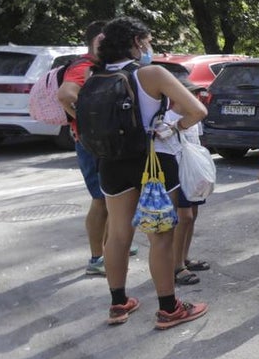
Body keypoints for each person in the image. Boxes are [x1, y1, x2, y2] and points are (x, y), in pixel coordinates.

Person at [90, 17, 208, 329]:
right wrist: (172, 127)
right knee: (161, 236)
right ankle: (169, 308)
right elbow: (198, 110)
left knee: (117, 234)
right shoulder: (151, 74)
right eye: (148, 41)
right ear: (138, 41)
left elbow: (70, 102)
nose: (149, 46)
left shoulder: (95, 75)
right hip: (153, 161)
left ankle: (118, 304)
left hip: (111, 162)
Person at [57, 20, 138, 275]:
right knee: (101, 200)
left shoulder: (101, 67)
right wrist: (87, 123)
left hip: (102, 143)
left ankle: (111, 244)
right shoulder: (84, 66)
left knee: (111, 200)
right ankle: (96, 258)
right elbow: (65, 94)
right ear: (99, 41)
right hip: (92, 144)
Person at [169, 83, 210, 286]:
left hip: (194, 174)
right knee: (183, 217)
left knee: (192, 216)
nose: (197, 98)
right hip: (177, 173)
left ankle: (184, 258)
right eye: (192, 94)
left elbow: (197, 145)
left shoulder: (194, 119)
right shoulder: (167, 119)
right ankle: (176, 265)